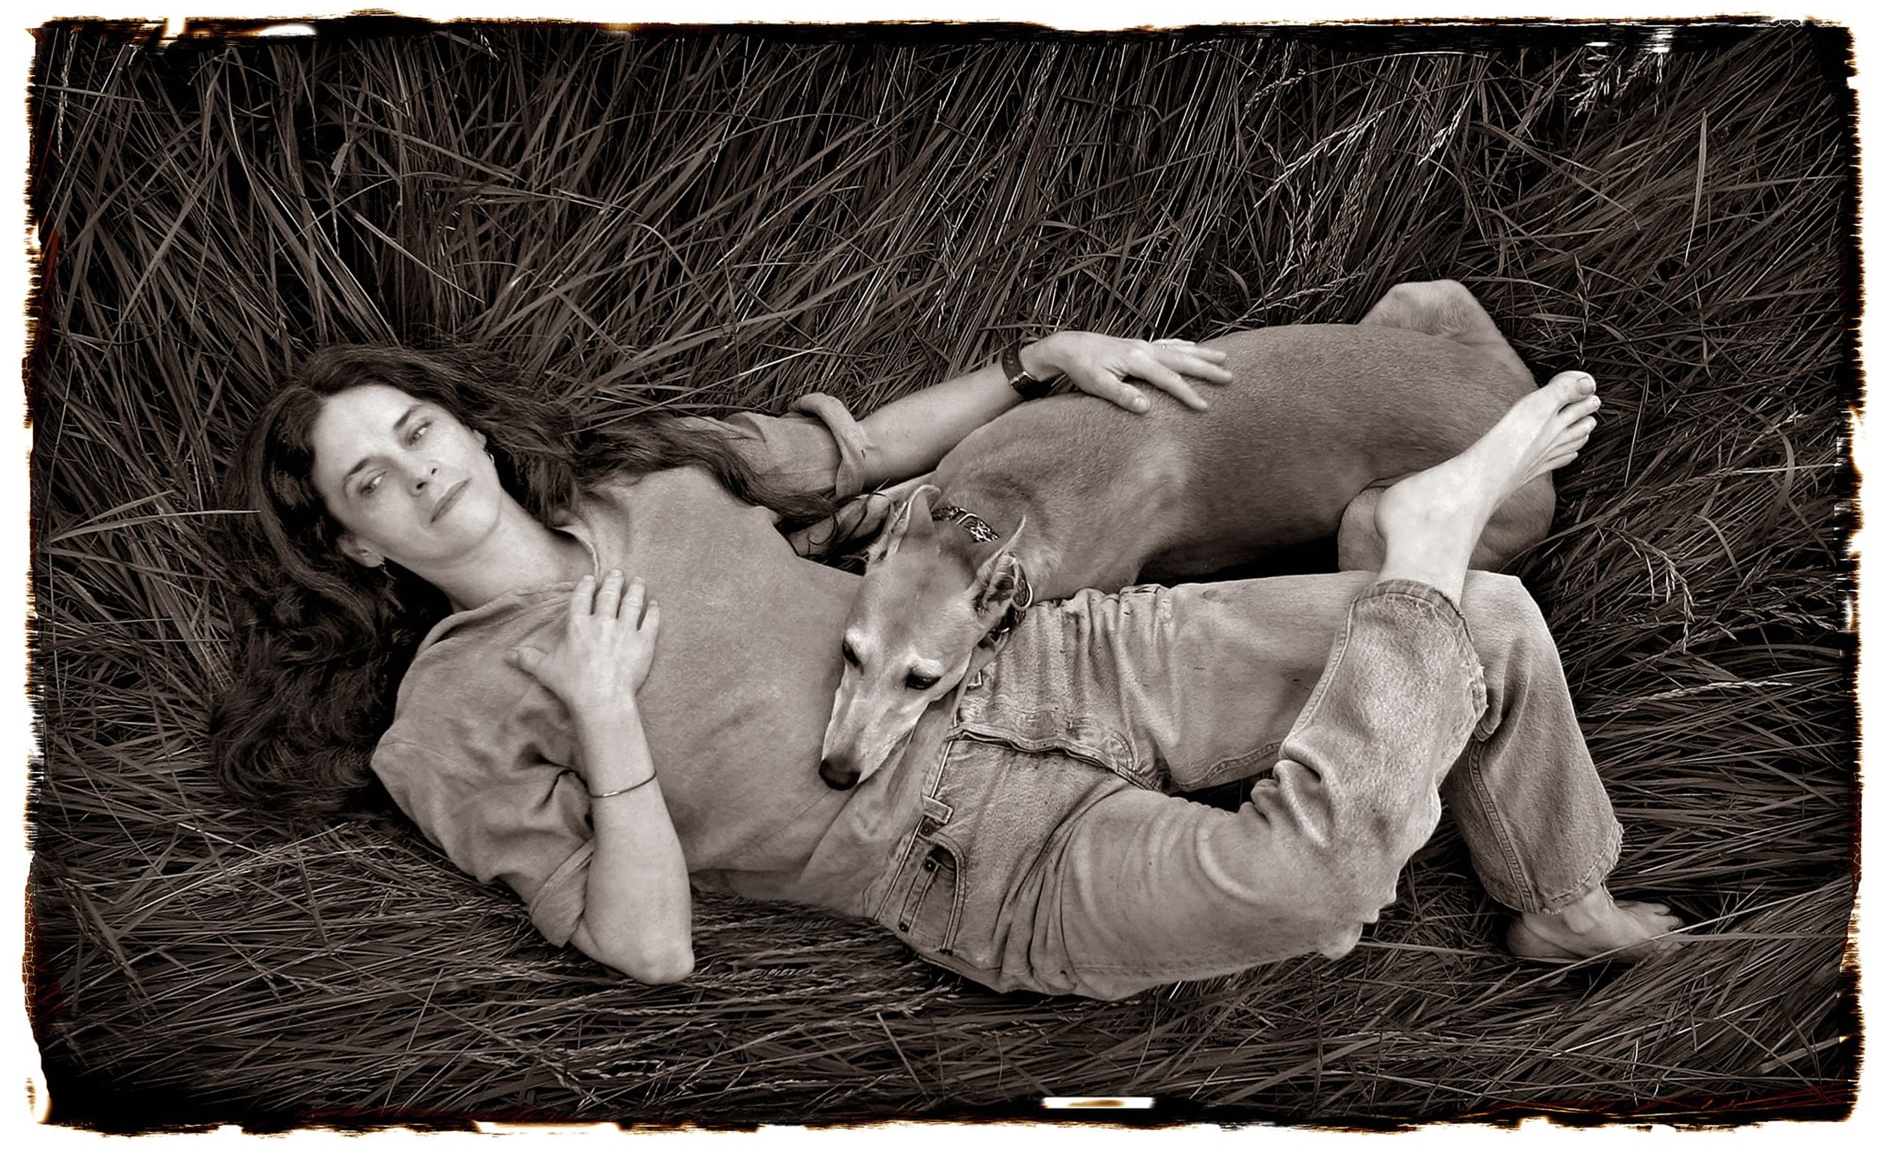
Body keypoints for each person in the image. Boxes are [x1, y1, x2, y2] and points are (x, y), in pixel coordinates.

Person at [214, 326, 1680, 1000]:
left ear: (461, 426)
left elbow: (862, 450)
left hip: (1054, 661)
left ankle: (1555, 898)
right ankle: (1412, 560)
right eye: (365, 488)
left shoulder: (646, 477)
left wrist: (1044, 362)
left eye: (415, 434)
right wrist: (605, 722)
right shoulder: (442, 726)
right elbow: (642, 945)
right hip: (971, 858)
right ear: (352, 548)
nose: (413, 478)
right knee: (1318, 878)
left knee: (1499, 626)